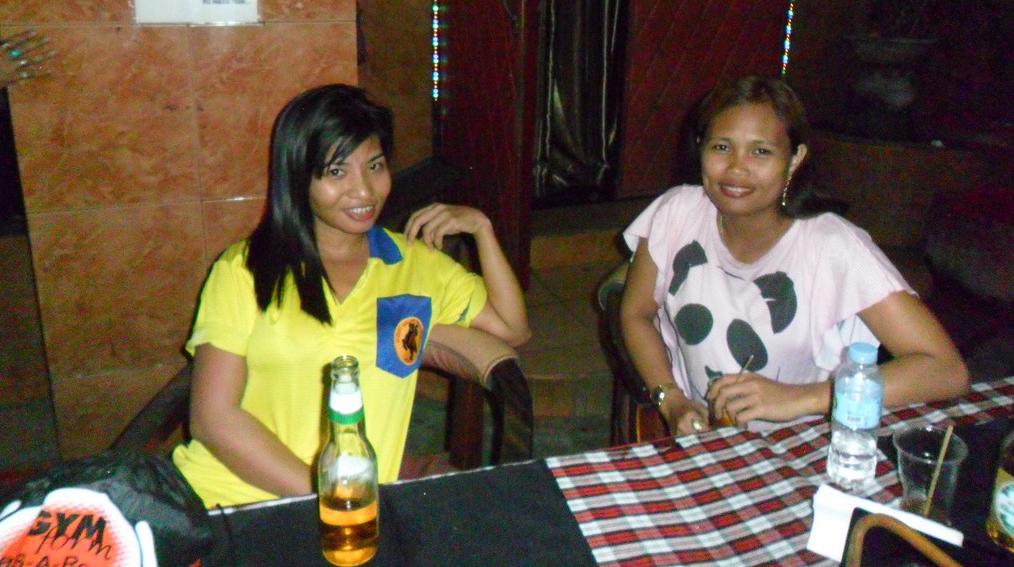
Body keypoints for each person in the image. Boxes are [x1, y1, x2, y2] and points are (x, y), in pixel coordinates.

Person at [172, 84, 530, 507]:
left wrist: (482, 229)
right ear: (299, 178)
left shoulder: (416, 266)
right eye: (337, 172)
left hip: (354, 509)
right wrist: (333, 494)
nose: (364, 191)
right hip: (229, 499)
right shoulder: (245, 270)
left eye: (375, 166)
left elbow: (512, 328)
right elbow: (213, 420)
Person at [619, 74, 969, 437]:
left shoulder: (832, 246)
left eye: (760, 151)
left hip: (802, 448)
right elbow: (636, 312)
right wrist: (671, 399)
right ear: (701, 148)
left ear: (794, 159)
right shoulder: (676, 214)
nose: (736, 168)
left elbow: (945, 369)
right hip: (710, 445)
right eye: (721, 147)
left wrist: (804, 397)